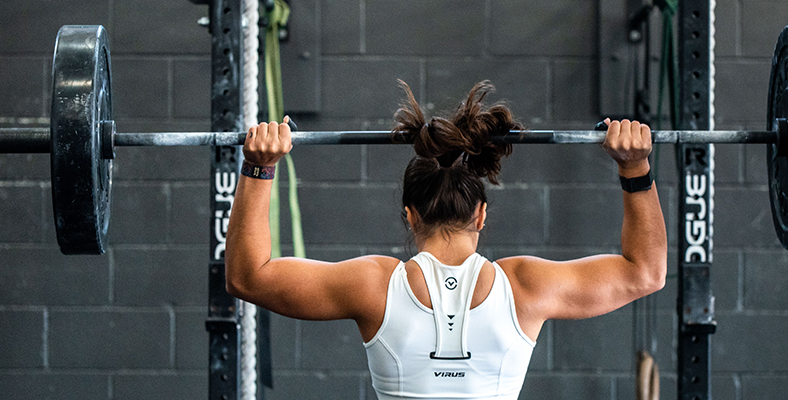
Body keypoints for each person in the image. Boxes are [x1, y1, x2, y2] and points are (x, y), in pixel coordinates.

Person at [225, 81, 667, 399]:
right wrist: (635, 168)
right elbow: (645, 272)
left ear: (409, 215)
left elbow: (248, 278)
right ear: (481, 214)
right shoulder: (525, 287)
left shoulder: (374, 285)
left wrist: (259, 167)